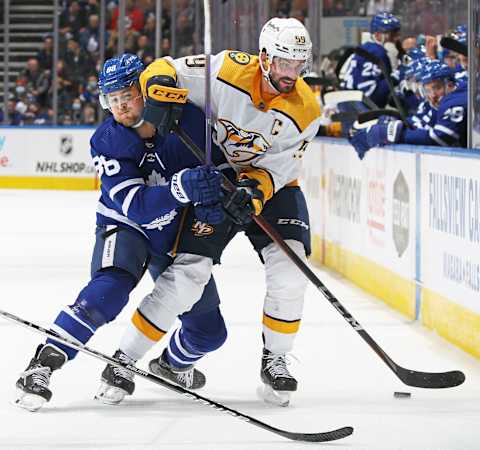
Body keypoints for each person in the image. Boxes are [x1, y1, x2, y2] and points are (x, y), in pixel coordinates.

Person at [97, 17, 321, 407]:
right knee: (189, 272)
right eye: (284, 63)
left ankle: (276, 360)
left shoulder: (307, 108)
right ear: (265, 57)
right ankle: (124, 361)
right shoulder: (228, 68)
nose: (291, 73)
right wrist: (158, 89)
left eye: (298, 65)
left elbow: (283, 165)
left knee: (291, 268)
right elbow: (163, 69)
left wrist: (256, 190)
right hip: (215, 178)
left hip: (271, 187)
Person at [14, 53, 228, 411]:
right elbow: (137, 206)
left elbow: (219, 168)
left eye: (126, 96)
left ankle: (171, 366)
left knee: (210, 332)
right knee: (109, 289)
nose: (120, 107)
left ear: (146, 89)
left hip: (175, 232)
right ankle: (42, 366)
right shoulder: (107, 140)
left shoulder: (189, 118)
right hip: (125, 225)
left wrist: (216, 197)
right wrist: (183, 189)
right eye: (111, 100)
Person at [349, 59, 467, 159]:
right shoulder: (440, 102)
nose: (432, 95)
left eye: (436, 88)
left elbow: (441, 138)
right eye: (428, 90)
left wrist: (394, 133)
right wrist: (392, 124)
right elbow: (423, 126)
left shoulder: (457, 99)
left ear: (450, 85)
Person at [339, 11, 401, 108]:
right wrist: (398, 75)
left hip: (348, 105)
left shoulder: (365, 48)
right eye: (391, 35)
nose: (396, 39)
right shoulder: (377, 52)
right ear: (377, 35)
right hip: (359, 111)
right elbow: (372, 96)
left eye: (396, 34)